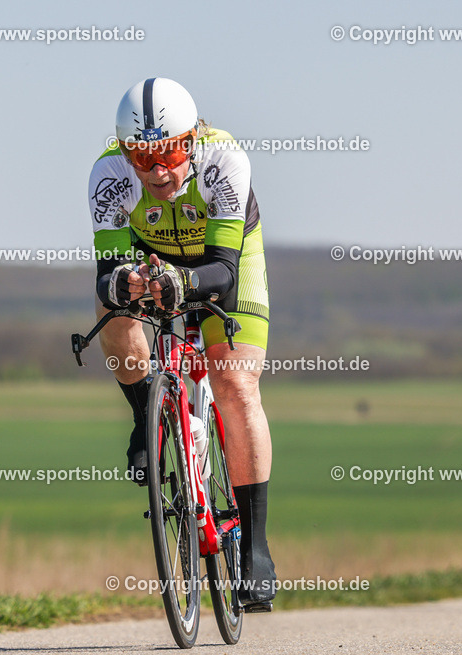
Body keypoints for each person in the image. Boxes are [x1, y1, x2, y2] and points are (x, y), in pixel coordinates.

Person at [87, 77, 276, 609]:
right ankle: (147, 408)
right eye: (141, 158)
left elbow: (222, 268)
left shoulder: (224, 159)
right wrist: (122, 283)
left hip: (223, 259)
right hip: (153, 255)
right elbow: (105, 272)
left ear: (190, 140)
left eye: (168, 153)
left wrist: (185, 285)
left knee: (235, 382)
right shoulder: (108, 175)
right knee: (111, 309)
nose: (156, 171)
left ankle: (255, 545)